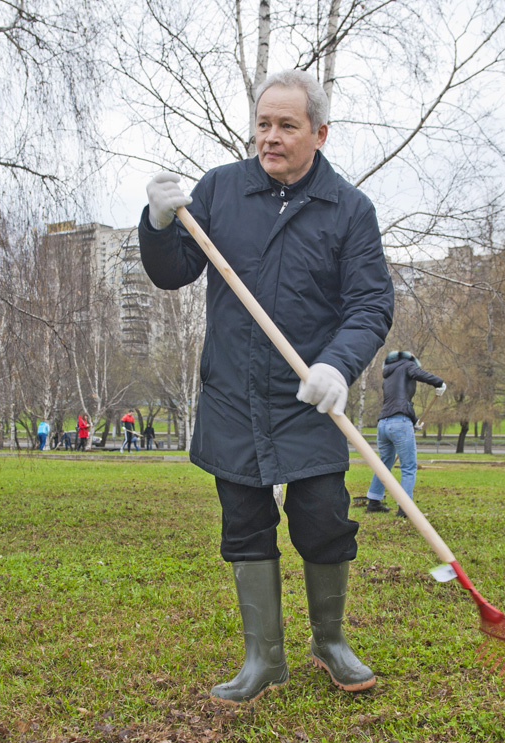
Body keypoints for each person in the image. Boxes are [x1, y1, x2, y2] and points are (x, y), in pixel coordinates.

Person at [139, 69, 393, 703]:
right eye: (263, 124)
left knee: (324, 520)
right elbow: (171, 273)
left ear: (320, 133)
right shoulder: (221, 190)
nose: (270, 138)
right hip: (234, 391)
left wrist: (337, 365)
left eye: (286, 126)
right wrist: (158, 221)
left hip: (310, 397)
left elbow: (369, 307)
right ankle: (263, 658)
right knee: (245, 522)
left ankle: (330, 643)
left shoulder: (350, 211)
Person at [364, 351, 445, 515]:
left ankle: (373, 502)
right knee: (408, 466)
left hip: (383, 423)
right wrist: (439, 383)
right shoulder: (408, 366)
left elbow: (397, 402)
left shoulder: (387, 375)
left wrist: (414, 420)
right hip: (399, 423)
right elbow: (419, 374)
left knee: (384, 465)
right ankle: (404, 508)